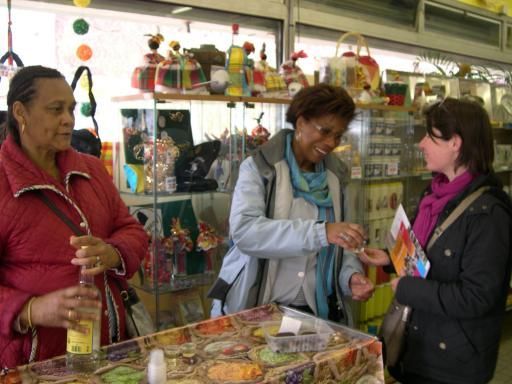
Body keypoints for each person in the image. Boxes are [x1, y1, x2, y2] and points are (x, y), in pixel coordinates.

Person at [0, 66, 148, 367]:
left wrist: (113, 252)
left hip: (110, 352)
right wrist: (31, 309)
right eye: (56, 110)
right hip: (35, 361)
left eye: (70, 109)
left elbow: (131, 230)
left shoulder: (92, 170)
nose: (68, 119)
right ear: (20, 112)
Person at [359, 97, 512, 384]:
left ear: (456, 143)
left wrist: (408, 289)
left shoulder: (489, 214)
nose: (421, 144)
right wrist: (391, 259)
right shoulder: (435, 195)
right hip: (417, 348)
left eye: (430, 136)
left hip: (452, 364)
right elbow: (433, 259)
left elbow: (477, 297)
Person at [210, 84, 374, 325]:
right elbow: (246, 232)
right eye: (325, 131)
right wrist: (321, 232)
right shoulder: (259, 167)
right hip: (258, 310)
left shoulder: (336, 176)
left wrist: (350, 277)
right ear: (300, 122)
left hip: (315, 314)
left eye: (338, 136)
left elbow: (343, 248)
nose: (331, 143)